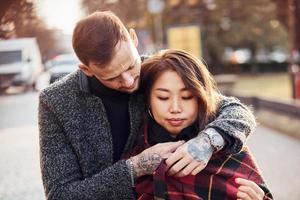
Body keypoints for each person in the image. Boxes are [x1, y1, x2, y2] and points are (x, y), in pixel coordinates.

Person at [38, 11, 256, 200]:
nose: (129, 81)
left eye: (131, 66)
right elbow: (60, 194)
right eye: (113, 77)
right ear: (86, 69)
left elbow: (236, 112)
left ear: (133, 39)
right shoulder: (56, 101)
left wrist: (208, 141)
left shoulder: (154, 71)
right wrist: (135, 168)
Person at [127, 49, 273, 200]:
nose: (175, 108)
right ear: (147, 99)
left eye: (187, 97)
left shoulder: (228, 146)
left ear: (201, 98)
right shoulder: (133, 150)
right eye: (163, 97)